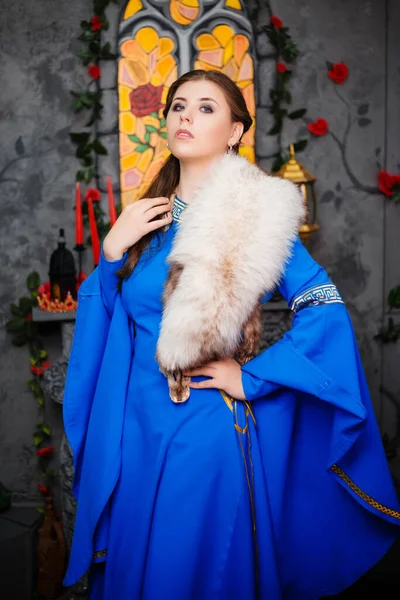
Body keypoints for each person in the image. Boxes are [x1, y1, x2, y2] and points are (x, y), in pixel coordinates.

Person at [62, 69, 400, 600]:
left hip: (203, 431)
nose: (185, 117)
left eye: (204, 108)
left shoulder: (256, 216)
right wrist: (109, 256)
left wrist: (254, 378)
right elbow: (110, 326)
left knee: (191, 574)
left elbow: (324, 307)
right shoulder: (142, 221)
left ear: (237, 130)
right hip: (135, 431)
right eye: (177, 106)